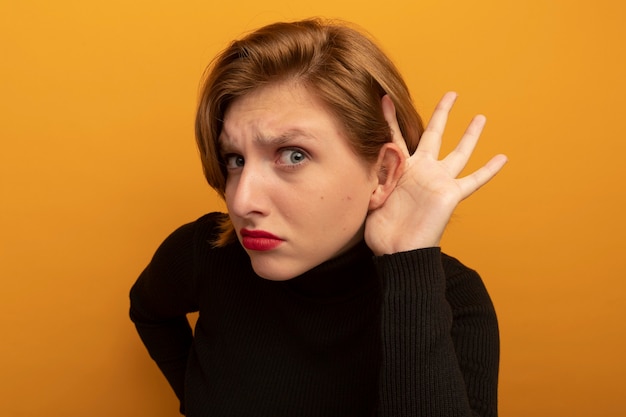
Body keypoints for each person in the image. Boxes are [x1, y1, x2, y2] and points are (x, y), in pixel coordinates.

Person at [130, 18, 507, 417]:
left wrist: (407, 265)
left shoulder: (455, 300)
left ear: (380, 173)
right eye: (235, 159)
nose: (241, 201)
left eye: (293, 155)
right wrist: (197, 396)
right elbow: (148, 310)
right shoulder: (206, 252)